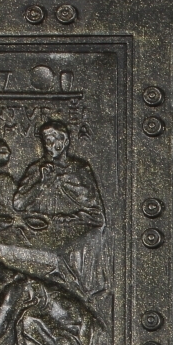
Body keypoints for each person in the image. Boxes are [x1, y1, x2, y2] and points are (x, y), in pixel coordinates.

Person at [13, 119, 105, 289]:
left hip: (72, 232)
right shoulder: (37, 169)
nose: (51, 145)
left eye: (55, 140)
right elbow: (18, 204)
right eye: (47, 141)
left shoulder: (79, 169)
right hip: (39, 230)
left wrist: (67, 217)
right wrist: (41, 184)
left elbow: (96, 213)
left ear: (66, 141)